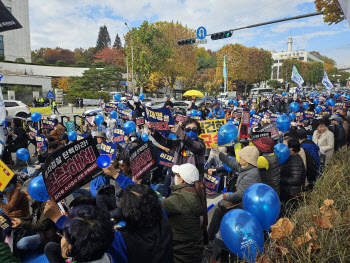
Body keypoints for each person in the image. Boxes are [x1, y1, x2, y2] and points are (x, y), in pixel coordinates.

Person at [207, 146, 261, 242]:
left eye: (241, 157)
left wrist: (228, 196)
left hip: (245, 207)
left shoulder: (251, 174)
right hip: (243, 203)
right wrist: (219, 153)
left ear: (248, 160)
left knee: (219, 212)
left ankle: (210, 240)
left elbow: (240, 195)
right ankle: (212, 238)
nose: (239, 158)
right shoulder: (246, 168)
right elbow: (231, 163)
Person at [161, 163, 206, 263]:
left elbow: (151, 208)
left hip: (180, 254)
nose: (174, 178)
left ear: (181, 179)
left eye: (175, 175)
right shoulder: (196, 193)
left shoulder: (178, 199)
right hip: (195, 251)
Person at [11, 179, 60, 251]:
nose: (27, 197)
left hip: (47, 235)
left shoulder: (48, 203)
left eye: (28, 194)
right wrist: (21, 220)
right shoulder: (38, 200)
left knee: (21, 243)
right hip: (39, 230)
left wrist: (22, 223)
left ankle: (40, 246)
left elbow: (41, 225)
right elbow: (34, 216)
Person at [279, 139, 306, 203]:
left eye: (285, 147)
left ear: (291, 149)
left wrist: (280, 179)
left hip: (292, 193)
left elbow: (295, 179)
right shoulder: (290, 158)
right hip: (288, 190)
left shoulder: (296, 161)